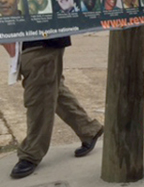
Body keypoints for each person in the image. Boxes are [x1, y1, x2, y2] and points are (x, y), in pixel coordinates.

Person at [7, 35, 104, 179]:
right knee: (53, 89)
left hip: (41, 41)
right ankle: (88, 129)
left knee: (39, 98)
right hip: (36, 40)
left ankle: (31, 153)